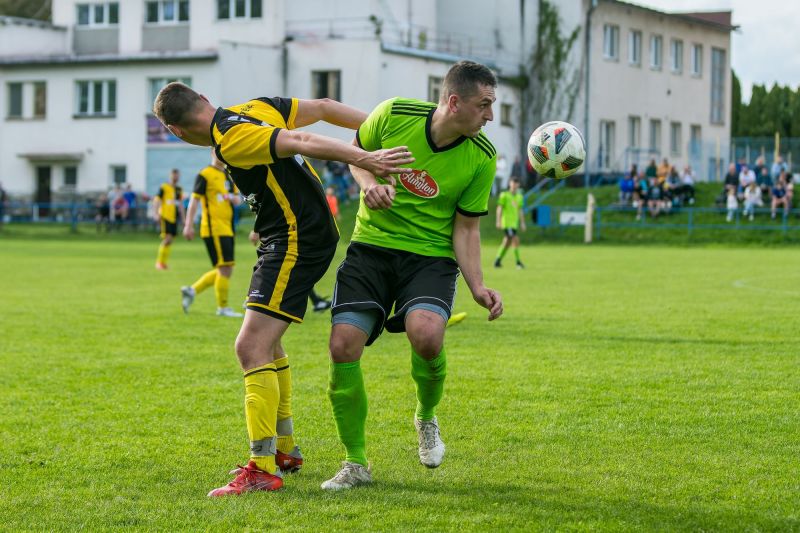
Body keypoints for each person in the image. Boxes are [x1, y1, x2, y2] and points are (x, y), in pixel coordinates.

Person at [153, 81, 413, 497]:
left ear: (176, 131)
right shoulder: (252, 108)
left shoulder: (232, 138)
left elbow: (301, 140)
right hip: (290, 236)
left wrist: (369, 157)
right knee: (267, 344)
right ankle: (285, 450)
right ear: (204, 98)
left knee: (249, 347)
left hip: (295, 240)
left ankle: (261, 466)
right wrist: (385, 132)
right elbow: (325, 106)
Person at [322, 60, 503, 491]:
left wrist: (478, 285)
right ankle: (355, 464)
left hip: (429, 258)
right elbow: (356, 155)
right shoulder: (394, 114)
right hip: (371, 248)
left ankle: (425, 416)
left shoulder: (481, 157)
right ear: (454, 101)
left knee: (427, 334)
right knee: (342, 344)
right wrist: (369, 183)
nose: (490, 116)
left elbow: (467, 227)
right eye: (484, 105)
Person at [181, 150, 244, 317]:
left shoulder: (229, 175)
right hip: (213, 228)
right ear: (212, 153)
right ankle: (222, 308)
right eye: (218, 152)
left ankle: (192, 290)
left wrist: (234, 199)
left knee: (226, 268)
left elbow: (238, 199)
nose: (221, 156)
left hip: (228, 227)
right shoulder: (205, 174)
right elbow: (194, 201)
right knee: (225, 268)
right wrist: (188, 225)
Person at [248, 230, 332, 312]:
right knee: (295, 271)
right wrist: (256, 229)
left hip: (291, 239)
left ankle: (316, 301)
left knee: (298, 272)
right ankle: (254, 298)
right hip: (283, 241)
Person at [152, 169, 185, 270]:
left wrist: (184, 219)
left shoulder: (179, 189)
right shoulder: (164, 187)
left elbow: (180, 205)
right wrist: (156, 213)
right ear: (170, 176)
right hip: (165, 216)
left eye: (177, 176)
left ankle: (163, 263)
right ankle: (159, 263)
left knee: (170, 240)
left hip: (174, 217)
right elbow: (157, 200)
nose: (176, 177)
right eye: (174, 175)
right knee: (167, 239)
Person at [494, 177, 526, 269]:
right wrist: (498, 221)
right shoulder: (504, 195)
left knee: (507, 242)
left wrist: (522, 223)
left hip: (514, 224)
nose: (514, 184)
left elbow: (520, 210)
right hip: (507, 223)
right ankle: (518, 262)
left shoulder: (519, 197)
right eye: (513, 182)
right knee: (515, 239)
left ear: (518, 185)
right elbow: (499, 208)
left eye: (516, 183)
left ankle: (497, 261)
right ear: (509, 183)